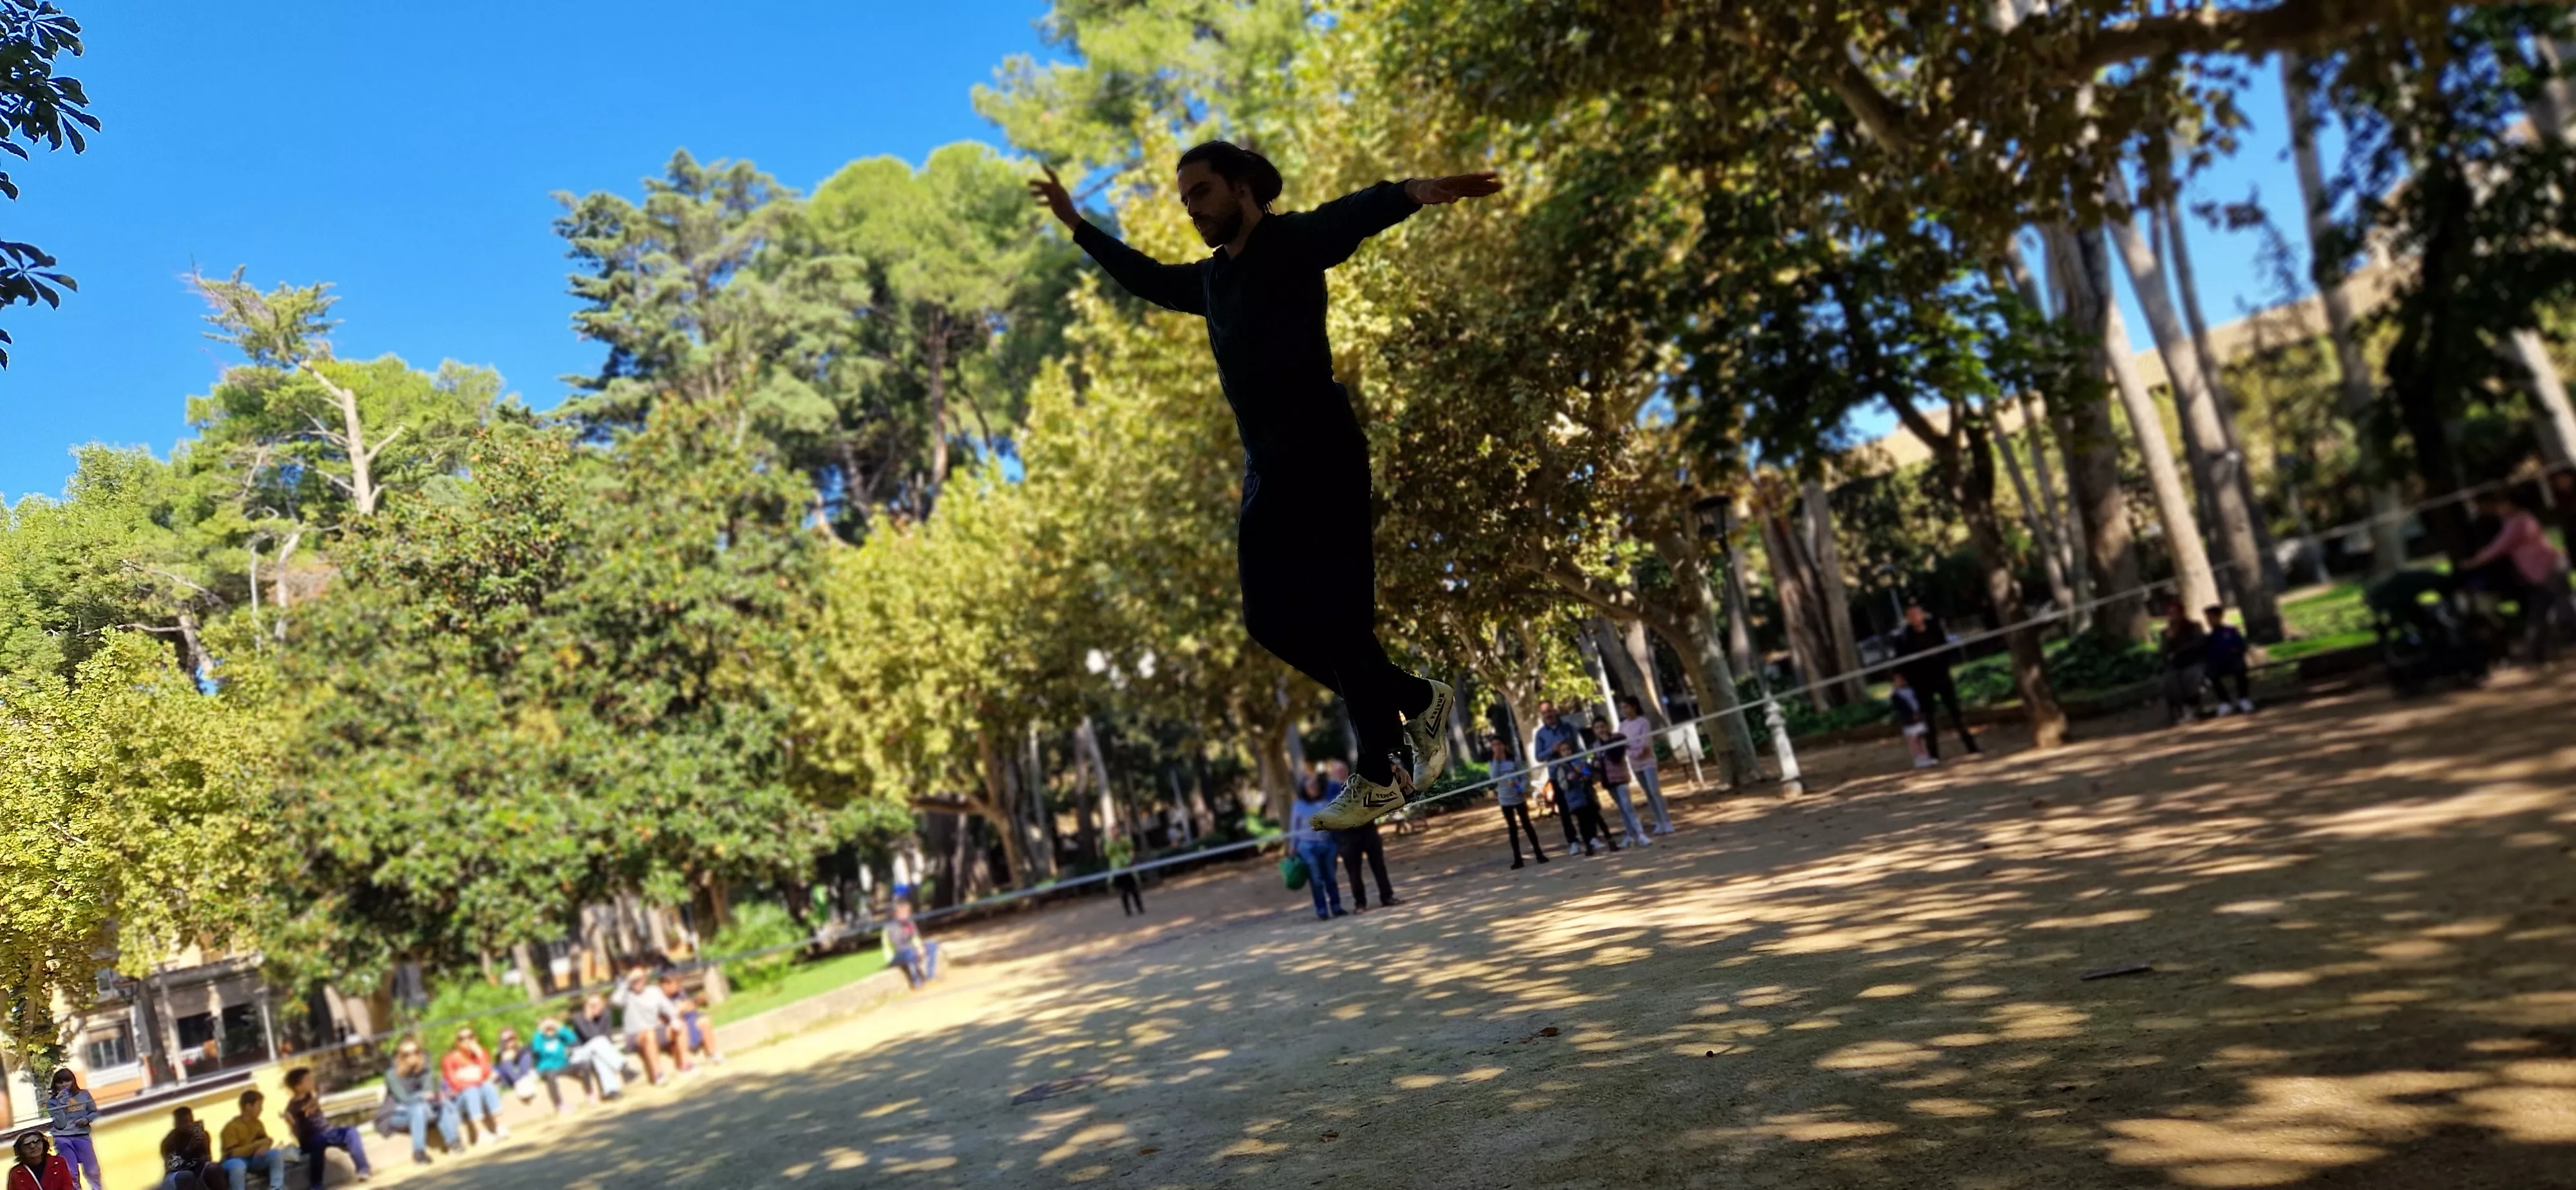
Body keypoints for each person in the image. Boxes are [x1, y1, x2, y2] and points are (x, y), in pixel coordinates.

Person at [1031, 143, 1502, 829]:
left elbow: (1348, 216)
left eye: (1200, 191)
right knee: (1269, 620)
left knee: (1339, 616)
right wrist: (1077, 225)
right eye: (1184, 195)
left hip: (1320, 448)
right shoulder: (1210, 281)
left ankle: (1379, 769)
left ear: (1243, 188)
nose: (1188, 206)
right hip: (1267, 468)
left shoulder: (1289, 244)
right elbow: (1144, 277)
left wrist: (1413, 191)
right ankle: (1412, 698)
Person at [2463, 489, 2575, 664]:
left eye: (2501, 505)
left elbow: (2499, 546)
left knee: (2560, 607)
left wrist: (2474, 562)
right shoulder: (2514, 521)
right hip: (2542, 571)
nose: (2498, 509)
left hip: (2547, 568)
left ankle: (2537, 652)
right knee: (2544, 611)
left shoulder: (2519, 522)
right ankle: (2535, 653)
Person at [1894, 604, 1980, 759]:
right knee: (1928, 717)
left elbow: (1946, 649)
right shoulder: (1904, 638)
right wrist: (1901, 678)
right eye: (1911, 616)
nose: (1915, 618)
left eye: (1917, 614)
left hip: (1941, 677)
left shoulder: (1935, 630)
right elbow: (1900, 661)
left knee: (1955, 712)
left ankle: (1971, 746)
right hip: (1921, 682)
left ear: (1922, 615)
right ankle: (1933, 754)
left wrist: (1945, 663)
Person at [1326, 759, 1401, 910]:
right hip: (1348, 837)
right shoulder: (1332, 790)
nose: (1341, 773)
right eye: (1338, 771)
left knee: (1379, 866)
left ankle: (1387, 896)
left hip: (1368, 831)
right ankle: (1360, 903)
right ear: (1333, 774)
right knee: (1354, 872)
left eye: (1343, 770)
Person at [283, 1066, 372, 1186]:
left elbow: (317, 1096)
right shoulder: (292, 1107)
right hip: (311, 1139)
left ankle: (363, 1169)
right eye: (308, 1080)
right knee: (318, 1142)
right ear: (298, 1087)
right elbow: (296, 1132)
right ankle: (316, 1184)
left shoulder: (311, 1095)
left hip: (328, 1132)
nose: (312, 1082)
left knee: (351, 1131)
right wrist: (291, 1123)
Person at [384, 1035, 464, 1164]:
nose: (412, 1056)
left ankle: (454, 1142)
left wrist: (431, 1091)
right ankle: (419, 1152)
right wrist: (422, 1095)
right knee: (418, 1108)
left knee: (438, 1104)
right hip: (397, 1113)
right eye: (406, 1054)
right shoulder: (392, 1074)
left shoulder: (425, 1070)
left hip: (423, 1110)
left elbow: (430, 1092)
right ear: (400, 1056)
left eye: (416, 1052)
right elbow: (404, 1099)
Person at [1286, 772, 1349, 920]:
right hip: (1307, 847)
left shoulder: (1325, 802)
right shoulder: (1298, 806)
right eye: (1311, 785)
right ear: (1304, 788)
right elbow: (1294, 828)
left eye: (1315, 785)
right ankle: (1322, 910)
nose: (1314, 787)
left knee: (1331, 878)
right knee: (1317, 879)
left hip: (1327, 845)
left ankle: (1336, 906)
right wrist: (1292, 847)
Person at [612, 968, 687, 1084]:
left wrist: (674, 1019)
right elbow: (615, 1002)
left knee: (680, 1025)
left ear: (645, 979)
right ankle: (658, 1075)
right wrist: (627, 982)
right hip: (635, 1036)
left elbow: (669, 1008)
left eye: (640, 979)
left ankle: (684, 1065)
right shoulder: (627, 995)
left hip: (655, 1030)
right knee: (650, 1034)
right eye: (634, 980)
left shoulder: (654, 991)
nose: (637, 982)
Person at [1530, 701, 1586, 851]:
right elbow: (1539, 756)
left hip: (1576, 773)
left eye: (1549, 711)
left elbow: (1580, 748)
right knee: (1564, 811)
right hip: (1557, 776)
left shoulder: (1568, 728)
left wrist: (1582, 768)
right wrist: (1551, 750)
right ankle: (1572, 842)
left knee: (1584, 807)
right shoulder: (1541, 734)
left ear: (1555, 710)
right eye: (1544, 713)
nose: (1548, 715)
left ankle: (1590, 837)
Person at [1549, 739, 1620, 855]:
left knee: (1597, 818)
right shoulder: (1562, 768)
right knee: (1582, 822)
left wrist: (1584, 773)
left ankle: (1608, 839)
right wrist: (1569, 779)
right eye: (1564, 750)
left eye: (1568, 749)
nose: (1567, 752)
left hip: (1588, 796)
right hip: (1575, 800)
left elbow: (1589, 777)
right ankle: (1588, 845)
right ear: (1560, 754)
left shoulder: (1579, 762)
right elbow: (1563, 786)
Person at [438, 1025, 509, 1141]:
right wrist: (477, 1082)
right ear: (457, 1042)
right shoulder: (450, 1059)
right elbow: (456, 1084)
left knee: (487, 1086)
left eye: (470, 1037)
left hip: (481, 1091)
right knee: (472, 1090)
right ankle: (480, 1132)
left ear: (475, 1039)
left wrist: (480, 1054)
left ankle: (500, 1126)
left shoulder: (481, 1054)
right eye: (462, 1038)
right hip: (460, 1099)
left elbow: (486, 1074)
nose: (466, 1041)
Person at [1615, 697, 1674, 835]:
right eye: (1622, 708)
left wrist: (1639, 752)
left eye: (1627, 707)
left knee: (1654, 790)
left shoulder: (1643, 722)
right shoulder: (1622, 726)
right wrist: (1632, 753)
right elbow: (1623, 744)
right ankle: (1658, 821)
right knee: (1647, 792)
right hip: (1635, 764)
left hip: (1648, 762)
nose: (1625, 711)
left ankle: (1666, 821)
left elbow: (1646, 742)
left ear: (1634, 707)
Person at [1589, 716, 1651, 847]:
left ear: (1607, 726)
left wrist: (1606, 743)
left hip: (1620, 778)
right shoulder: (1595, 746)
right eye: (1597, 728)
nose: (1600, 730)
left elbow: (1616, 757)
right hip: (1608, 781)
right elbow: (1594, 760)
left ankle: (1640, 834)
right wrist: (1594, 764)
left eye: (1602, 727)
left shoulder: (1618, 739)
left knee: (1628, 806)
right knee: (1622, 809)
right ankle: (1630, 835)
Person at [1489, 735, 1549, 868]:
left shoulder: (1514, 760)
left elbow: (1524, 776)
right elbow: (1493, 779)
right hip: (1505, 800)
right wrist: (1496, 760)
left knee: (1527, 824)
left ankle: (1539, 853)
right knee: (1513, 829)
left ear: (1504, 745)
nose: (1497, 747)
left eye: (1499, 744)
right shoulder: (1492, 763)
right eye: (1494, 745)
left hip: (1518, 797)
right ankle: (1517, 859)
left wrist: (1521, 787)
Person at [41, 1068, 100, 1190]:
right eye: (60, 1082)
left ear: (73, 1081)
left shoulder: (84, 1094)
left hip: (82, 1135)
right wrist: (59, 1103)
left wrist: (87, 1119)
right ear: (55, 1084)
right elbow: (60, 1124)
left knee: (92, 1170)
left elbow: (94, 1112)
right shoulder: (52, 1102)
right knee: (71, 1173)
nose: (64, 1085)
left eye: (67, 1081)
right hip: (63, 1138)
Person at [218, 1089, 289, 1190]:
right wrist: (257, 1145)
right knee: (238, 1166)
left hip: (253, 1158)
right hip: (234, 1160)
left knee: (275, 1154)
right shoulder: (231, 1127)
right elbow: (234, 1153)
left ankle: (277, 1188)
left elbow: (266, 1140)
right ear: (248, 1107)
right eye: (259, 1105)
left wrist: (264, 1146)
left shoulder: (257, 1123)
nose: (261, 1109)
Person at [565, 993, 628, 1100]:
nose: (595, 1007)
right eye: (591, 1005)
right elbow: (590, 1037)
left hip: (598, 1051)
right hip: (580, 1052)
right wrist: (588, 1019)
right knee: (598, 1043)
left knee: (599, 1055)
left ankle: (611, 1091)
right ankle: (623, 1067)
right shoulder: (578, 1018)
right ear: (586, 1006)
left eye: (597, 1004)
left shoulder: (606, 1015)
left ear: (603, 1004)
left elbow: (607, 1037)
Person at [660, 970, 725, 1066]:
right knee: (680, 1027)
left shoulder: (679, 993)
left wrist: (696, 1002)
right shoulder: (659, 997)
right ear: (666, 984)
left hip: (687, 1019)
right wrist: (678, 1010)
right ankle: (685, 1064)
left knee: (704, 1021)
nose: (678, 987)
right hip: (670, 1025)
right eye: (676, 984)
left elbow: (689, 1005)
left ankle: (712, 1054)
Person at [2160, 601, 2210, 724]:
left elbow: (2198, 644)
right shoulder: (2165, 633)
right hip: (2176, 665)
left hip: (2194, 661)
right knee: (2170, 680)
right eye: (2170, 613)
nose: (2173, 616)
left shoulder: (2193, 627)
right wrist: (2168, 640)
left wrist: (2178, 652)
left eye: (2175, 613)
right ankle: (2181, 709)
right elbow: (2163, 653)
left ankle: (2193, 705)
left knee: (2192, 676)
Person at [2202, 605, 2255, 713]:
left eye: (2211, 617)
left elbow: (2241, 646)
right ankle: (2225, 702)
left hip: (2233, 661)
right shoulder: (2209, 637)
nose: (2209, 621)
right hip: (2218, 665)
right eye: (2207, 618)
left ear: (2219, 617)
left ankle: (2243, 698)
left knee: (2240, 667)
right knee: (2210, 673)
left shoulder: (2231, 631)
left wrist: (2234, 652)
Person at [883, 900, 943, 987]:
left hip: (910, 950)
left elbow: (916, 938)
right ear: (896, 914)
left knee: (932, 945)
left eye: (907, 912)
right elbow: (899, 947)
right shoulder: (891, 927)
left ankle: (930, 976)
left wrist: (920, 947)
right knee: (910, 953)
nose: (906, 915)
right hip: (895, 956)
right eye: (903, 912)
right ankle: (916, 982)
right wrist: (915, 951)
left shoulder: (909, 923)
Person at [530, 1018, 585, 1113]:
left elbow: (573, 1039)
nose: (550, 1031)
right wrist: (540, 1031)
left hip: (562, 1065)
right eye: (547, 1029)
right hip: (547, 1068)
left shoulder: (559, 1037)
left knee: (584, 1065)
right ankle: (559, 1104)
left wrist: (559, 1027)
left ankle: (590, 1093)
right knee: (551, 1076)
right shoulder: (540, 1039)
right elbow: (536, 1049)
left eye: (551, 1028)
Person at [158, 1106, 219, 1190]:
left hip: (197, 1169)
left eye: (191, 1121)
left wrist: (205, 1144)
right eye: (184, 1122)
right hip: (175, 1175)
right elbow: (175, 1166)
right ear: (176, 1124)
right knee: (187, 1176)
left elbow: (207, 1159)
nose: (188, 1125)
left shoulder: (199, 1134)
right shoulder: (170, 1141)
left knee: (214, 1169)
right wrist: (190, 1147)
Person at [1889, 671, 1936, 769]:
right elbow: (1900, 709)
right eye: (1897, 680)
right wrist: (1910, 716)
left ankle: (1924, 756)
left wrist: (1919, 712)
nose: (1900, 682)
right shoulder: (1895, 695)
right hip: (1908, 720)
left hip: (1918, 716)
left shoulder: (1910, 690)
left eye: (1901, 679)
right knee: (1913, 739)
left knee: (1919, 738)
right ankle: (1918, 758)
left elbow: (1915, 702)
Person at [491, 1025, 538, 1106]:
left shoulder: (524, 1050)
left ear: (516, 1038)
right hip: (509, 1081)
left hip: (524, 1076)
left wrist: (515, 1054)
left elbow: (534, 1049)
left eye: (511, 1038)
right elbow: (497, 1071)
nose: (508, 1042)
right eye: (504, 1040)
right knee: (505, 1062)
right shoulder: (499, 1056)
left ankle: (522, 1081)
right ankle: (520, 1082)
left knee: (526, 1056)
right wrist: (506, 1058)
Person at [10, 1133, 75, 1190]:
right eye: (27, 1145)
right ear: (20, 1150)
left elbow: (67, 1186)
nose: (33, 1146)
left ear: (43, 1143)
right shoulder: (16, 1173)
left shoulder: (59, 1162)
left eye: (36, 1142)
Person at [1106, 833, 1146, 916]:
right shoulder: (1109, 843)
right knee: (1123, 892)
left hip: (1127, 866)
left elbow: (1130, 847)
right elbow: (1108, 853)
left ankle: (1140, 907)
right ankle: (1128, 910)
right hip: (1117, 869)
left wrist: (1131, 858)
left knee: (1134, 889)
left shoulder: (1124, 840)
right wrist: (1114, 843)